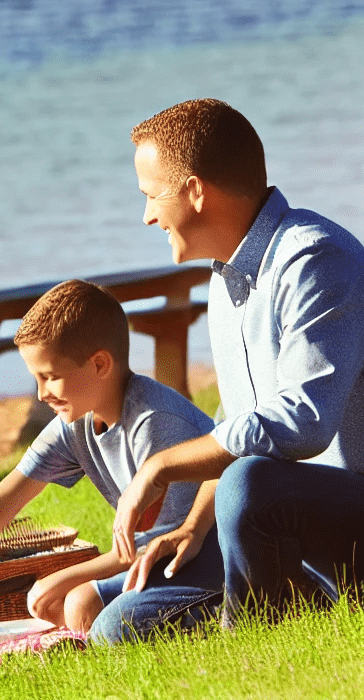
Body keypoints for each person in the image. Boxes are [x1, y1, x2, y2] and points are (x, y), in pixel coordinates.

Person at [114, 98, 364, 630]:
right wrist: (196, 528)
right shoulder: (224, 283)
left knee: (249, 482)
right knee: (119, 623)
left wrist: (161, 464)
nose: (148, 215)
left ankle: (247, 632)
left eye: (152, 196)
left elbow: (300, 423)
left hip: (348, 518)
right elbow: (242, 426)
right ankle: (292, 605)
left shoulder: (314, 259)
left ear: (195, 191)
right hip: (281, 532)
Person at [0, 279, 224, 638]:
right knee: (52, 602)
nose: (41, 394)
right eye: (36, 378)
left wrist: (72, 576)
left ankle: (220, 611)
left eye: (51, 377)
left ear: (100, 365)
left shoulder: (155, 423)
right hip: (154, 559)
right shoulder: (76, 422)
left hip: (206, 558)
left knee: (78, 604)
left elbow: (157, 545)